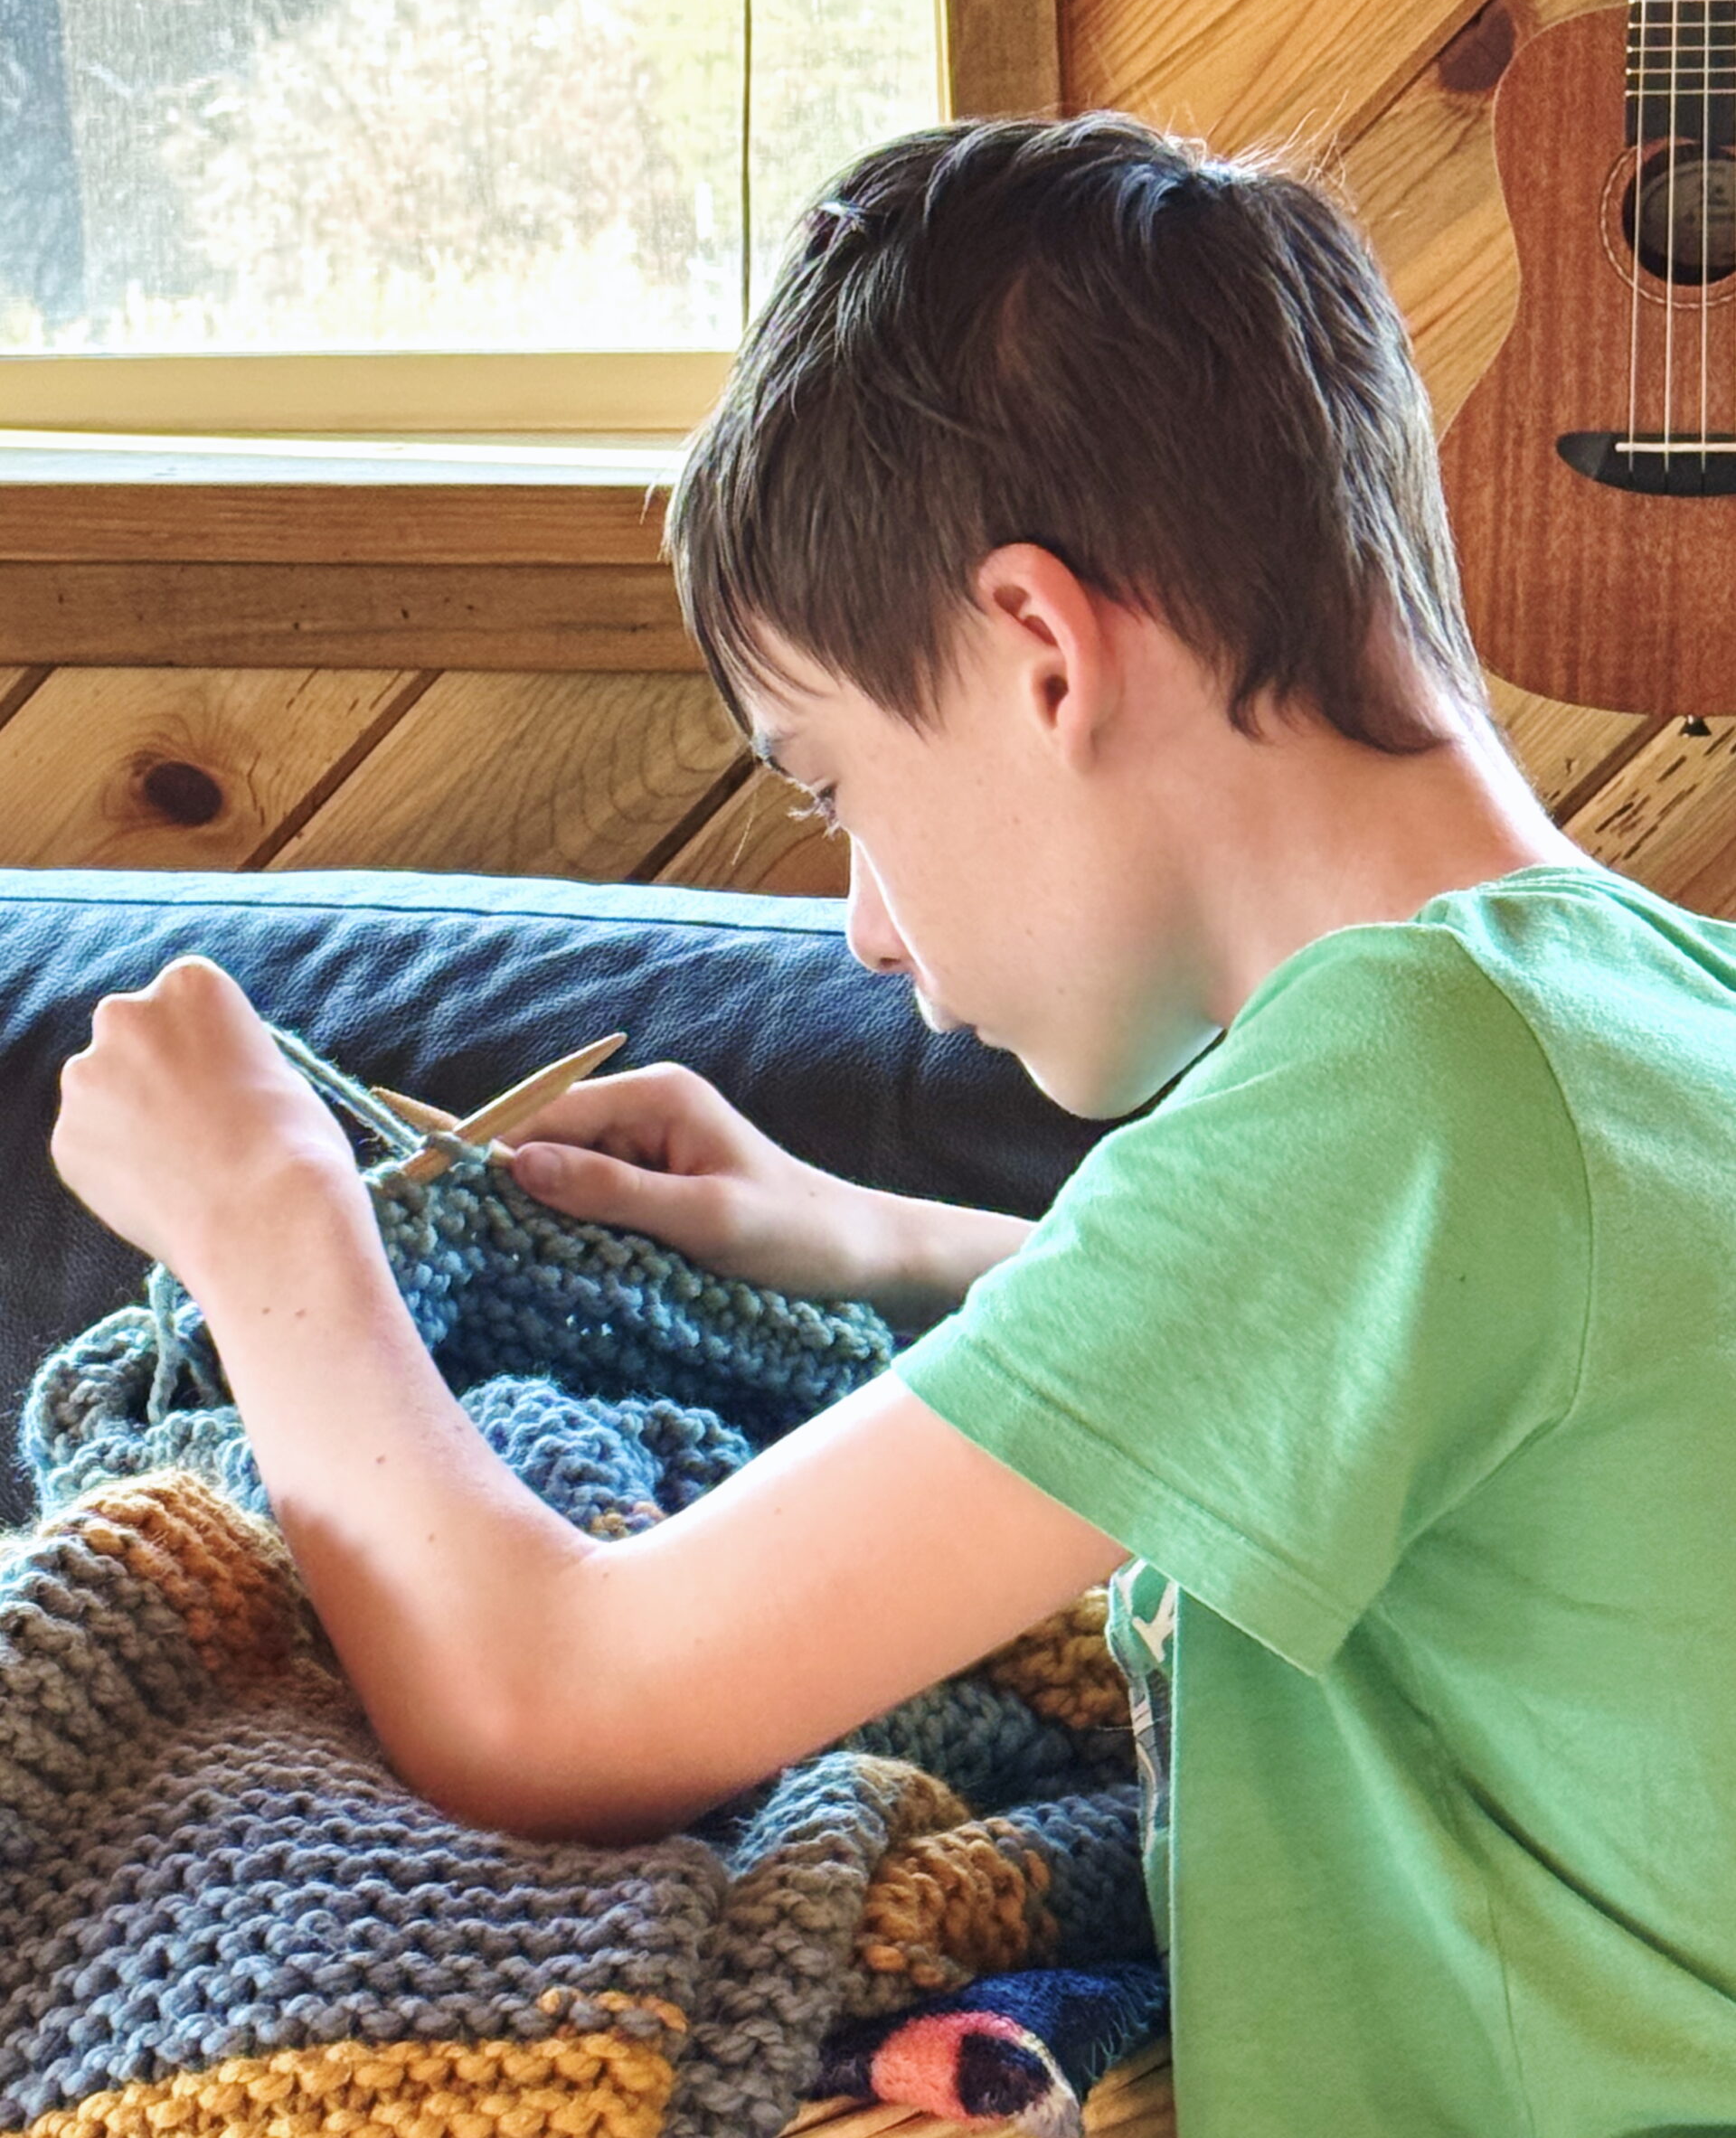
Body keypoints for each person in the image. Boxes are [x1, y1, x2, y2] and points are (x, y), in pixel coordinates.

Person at [47, 113, 1736, 2137]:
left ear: (1040, 650)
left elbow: (553, 1704)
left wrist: (263, 1223)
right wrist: (869, 1232)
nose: (860, 927)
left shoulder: (1397, 1086)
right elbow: (1406, 1383)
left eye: (836, 785)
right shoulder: (1628, 1002)